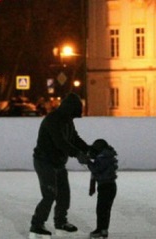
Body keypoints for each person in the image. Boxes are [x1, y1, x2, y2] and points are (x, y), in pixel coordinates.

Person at [29, 93, 90, 239]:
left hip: (58, 163)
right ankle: (37, 225)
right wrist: (78, 154)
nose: (74, 117)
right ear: (70, 109)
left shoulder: (68, 120)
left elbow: (74, 138)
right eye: (74, 114)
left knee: (64, 194)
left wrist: (89, 149)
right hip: (44, 161)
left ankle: (61, 222)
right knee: (50, 193)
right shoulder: (53, 119)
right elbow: (60, 142)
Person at [84, 139, 118, 239]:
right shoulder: (106, 156)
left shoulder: (104, 157)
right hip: (109, 186)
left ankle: (100, 230)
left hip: (106, 186)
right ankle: (103, 230)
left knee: (102, 209)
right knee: (105, 209)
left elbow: (96, 169)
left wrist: (87, 162)